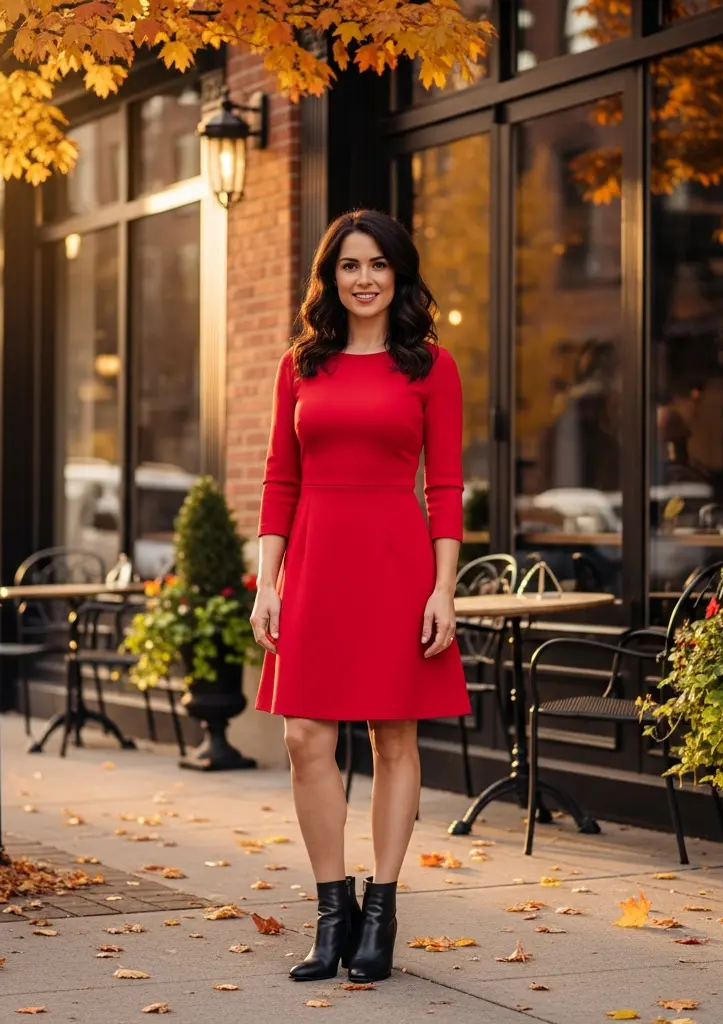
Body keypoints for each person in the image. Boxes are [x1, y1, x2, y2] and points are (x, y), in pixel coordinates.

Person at [249, 210, 470, 984]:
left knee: (392, 739)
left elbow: (445, 487)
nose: (365, 278)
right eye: (350, 265)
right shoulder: (300, 366)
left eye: (379, 264)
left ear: (399, 276)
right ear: (331, 278)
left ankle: (383, 906)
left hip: (395, 563)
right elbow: (280, 479)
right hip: (313, 562)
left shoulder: (430, 368)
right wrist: (266, 584)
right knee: (305, 737)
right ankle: (330, 910)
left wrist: (443, 589)